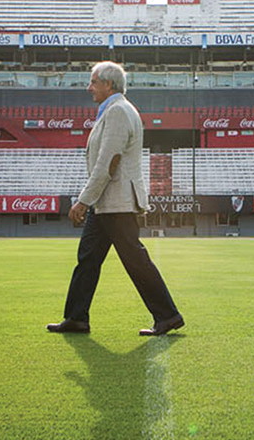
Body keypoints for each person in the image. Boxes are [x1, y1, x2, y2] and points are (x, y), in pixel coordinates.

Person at [47, 61, 184, 337]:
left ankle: (168, 315)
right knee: (88, 259)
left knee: (134, 259)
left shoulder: (118, 111)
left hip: (116, 202)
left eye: (93, 82)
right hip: (108, 202)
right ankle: (76, 318)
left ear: (108, 84)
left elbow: (109, 161)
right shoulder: (116, 109)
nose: (89, 88)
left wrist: (84, 200)